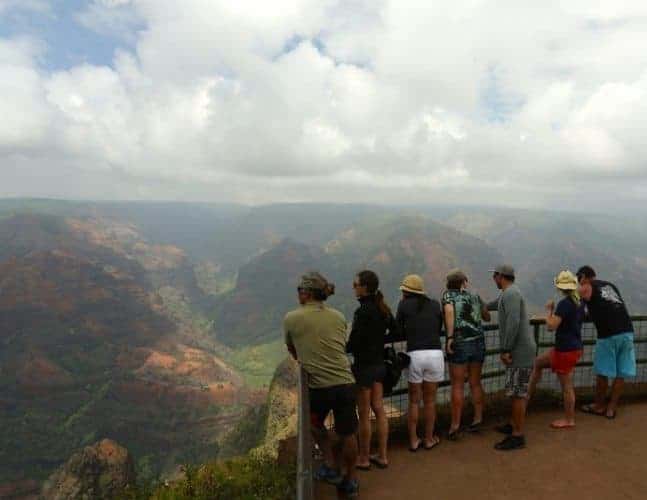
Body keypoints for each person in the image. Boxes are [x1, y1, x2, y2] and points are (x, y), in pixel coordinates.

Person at [284, 271, 359, 498]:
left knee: (314, 425)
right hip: (346, 383)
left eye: (299, 290)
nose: (298, 293)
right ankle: (350, 480)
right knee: (348, 433)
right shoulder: (338, 316)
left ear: (306, 293)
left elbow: (292, 350)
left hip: (319, 388)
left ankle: (329, 463)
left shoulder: (292, 318)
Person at [386, 274, 444, 452]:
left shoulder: (404, 305)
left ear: (406, 291)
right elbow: (438, 326)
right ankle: (428, 439)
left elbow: (397, 329)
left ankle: (413, 440)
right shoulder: (434, 304)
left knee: (413, 402)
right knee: (430, 401)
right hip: (435, 354)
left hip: (416, 355)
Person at [346, 270, 396, 471]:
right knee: (380, 409)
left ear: (364, 287)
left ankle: (364, 458)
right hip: (380, 366)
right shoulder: (382, 308)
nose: (353, 287)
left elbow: (354, 342)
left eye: (355, 284)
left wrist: (349, 346)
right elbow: (396, 330)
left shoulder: (362, 312)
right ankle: (382, 456)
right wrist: (379, 341)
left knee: (364, 414)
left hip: (364, 368)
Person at [577, 265, 636, 419]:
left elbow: (575, 306)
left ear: (583, 277)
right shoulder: (610, 286)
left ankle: (598, 406)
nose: (579, 283)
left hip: (608, 334)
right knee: (620, 373)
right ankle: (611, 409)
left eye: (579, 279)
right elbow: (609, 306)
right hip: (627, 331)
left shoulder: (586, 286)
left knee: (603, 373)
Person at [528, 270, 584, 429]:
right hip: (573, 347)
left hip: (565, 350)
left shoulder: (565, 304)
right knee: (538, 363)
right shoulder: (579, 301)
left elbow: (552, 326)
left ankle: (569, 419)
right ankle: (527, 397)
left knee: (566, 386)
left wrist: (549, 312)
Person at [489, 265, 536, 451]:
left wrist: (506, 348)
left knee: (517, 393)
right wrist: (480, 303)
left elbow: (513, 321)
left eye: (494, 276)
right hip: (520, 349)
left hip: (519, 350)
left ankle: (517, 435)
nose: (493, 279)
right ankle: (512, 424)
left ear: (500, 276)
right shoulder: (509, 293)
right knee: (516, 390)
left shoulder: (510, 294)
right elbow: (495, 304)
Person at [442, 269, 491, 439]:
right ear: (464, 282)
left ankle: (455, 426)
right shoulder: (475, 296)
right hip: (478, 341)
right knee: (475, 383)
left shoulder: (448, 296)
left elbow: (449, 313)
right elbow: (487, 317)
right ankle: (477, 419)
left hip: (460, 342)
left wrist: (449, 337)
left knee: (457, 385)